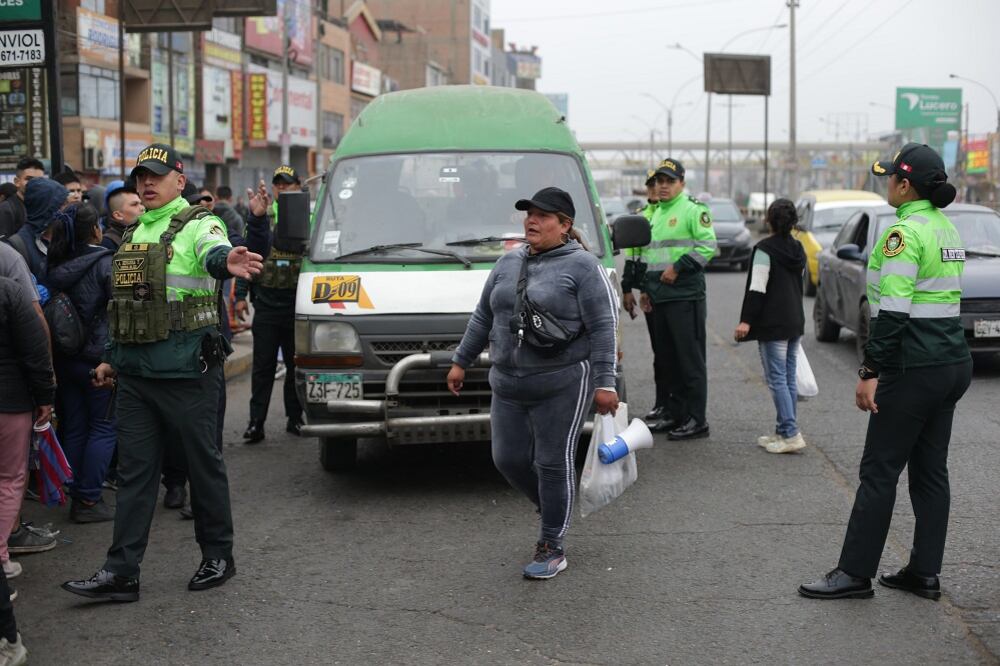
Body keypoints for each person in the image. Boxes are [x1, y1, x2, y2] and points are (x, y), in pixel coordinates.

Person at [61, 143, 263, 602]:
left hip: (187, 371)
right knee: (134, 474)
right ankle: (121, 572)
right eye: (139, 177)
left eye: (155, 175)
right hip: (135, 376)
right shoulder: (134, 234)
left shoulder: (200, 223)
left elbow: (216, 251)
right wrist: (111, 356)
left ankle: (218, 555)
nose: (146, 183)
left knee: (202, 464)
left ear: (178, 180)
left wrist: (225, 261)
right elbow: (125, 307)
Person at [799, 143, 971, 601]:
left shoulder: (903, 233)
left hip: (913, 366)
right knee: (931, 471)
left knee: (879, 470)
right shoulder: (945, 228)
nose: (886, 184)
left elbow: (893, 313)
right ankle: (924, 572)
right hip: (951, 362)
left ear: (904, 184)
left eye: (889, 177)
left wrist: (870, 369)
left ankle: (854, 573)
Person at [447, 187, 619, 580]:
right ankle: (552, 506)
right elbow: (483, 317)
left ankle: (552, 544)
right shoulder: (507, 263)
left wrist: (605, 382)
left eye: (543, 216)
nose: (532, 221)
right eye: (529, 214)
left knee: (552, 462)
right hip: (507, 382)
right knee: (506, 459)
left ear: (564, 226)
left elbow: (604, 327)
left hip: (561, 382)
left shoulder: (583, 267)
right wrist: (461, 360)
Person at [46, 203, 117, 523]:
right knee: (103, 426)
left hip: (64, 358)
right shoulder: (105, 263)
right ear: (96, 230)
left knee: (74, 424)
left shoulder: (56, 263)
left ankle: (70, 487)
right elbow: (119, 310)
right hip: (97, 359)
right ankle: (88, 499)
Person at [640, 158, 717, 440]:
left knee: (690, 362)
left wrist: (679, 267)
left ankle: (697, 420)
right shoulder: (657, 213)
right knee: (668, 361)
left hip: (685, 297)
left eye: (669, 181)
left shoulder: (692, 210)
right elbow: (650, 257)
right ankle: (674, 415)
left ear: (681, 183)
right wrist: (645, 290)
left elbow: (708, 246)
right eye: (659, 181)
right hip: (660, 298)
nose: (663, 186)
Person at [236, 165, 305, 443]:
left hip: (296, 306)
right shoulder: (260, 214)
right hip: (265, 304)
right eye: (279, 184)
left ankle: (295, 418)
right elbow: (245, 256)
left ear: (299, 186)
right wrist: (241, 295)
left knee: (295, 366)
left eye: (288, 184)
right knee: (263, 367)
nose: (282, 189)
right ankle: (256, 423)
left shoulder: (308, 217)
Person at [733, 199, 807, 454]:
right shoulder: (798, 249)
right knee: (787, 378)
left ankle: (790, 433)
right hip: (795, 320)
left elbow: (757, 287)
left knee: (777, 379)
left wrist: (746, 321)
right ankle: (783, 430)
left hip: (774, 323)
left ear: (769, 220)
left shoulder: (765, 249)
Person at [0, 274, 43, 662]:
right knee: (11, 478)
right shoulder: (9, 288)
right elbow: (34, 346)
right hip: (10, 403)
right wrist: (45, 394)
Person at [621, 169, 672, 429]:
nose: (655, 189)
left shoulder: (666, 216)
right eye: (651, 185)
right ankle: (662, 402)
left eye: (659, 184)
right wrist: (628, 289)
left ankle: (672, 405)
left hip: (668, 292)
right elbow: (632, 259)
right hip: (648, 293)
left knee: (670, 354)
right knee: (659, 353)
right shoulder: (641, 218)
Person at [8, 178, 68, 285]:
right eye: (60, 205)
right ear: (46, 209)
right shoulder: (18, 245)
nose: (65, 209)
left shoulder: (64, 236)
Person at [0, 158, 43, 239]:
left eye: (40, 180)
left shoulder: (43, 208)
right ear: (17, 182)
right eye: (29, 179)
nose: (35, 183)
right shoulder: (5, 210)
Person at [100, 180, 144, 251]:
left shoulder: (144, 233)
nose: (142, 208)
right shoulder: (108, 243)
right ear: (118, 215)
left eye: (141, 203)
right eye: (134, 204)